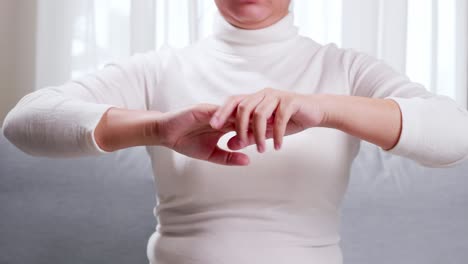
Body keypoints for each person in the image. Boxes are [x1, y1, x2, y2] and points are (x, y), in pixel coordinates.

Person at [3, 0, 468, 263]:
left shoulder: (341, 67)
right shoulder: (159, 68)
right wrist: (159, 128)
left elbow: (454, 136)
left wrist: (321, 108)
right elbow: (25, 122)